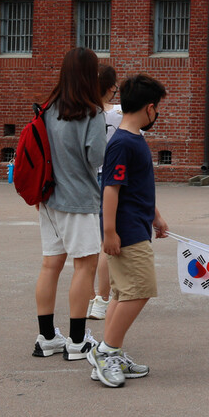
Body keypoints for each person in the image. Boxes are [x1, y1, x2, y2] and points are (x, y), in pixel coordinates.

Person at [88, 74, 170, 388]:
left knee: (123, 294)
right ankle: (106, 352)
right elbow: (111, 189)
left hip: (137, 224)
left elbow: (137, 188)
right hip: (126, 230)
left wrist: (156, 216)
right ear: (149, 108)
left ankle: (112, 351)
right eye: (157, 108)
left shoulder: (134, 138)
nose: (156, 113)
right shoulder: (123, 142)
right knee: (141, 289)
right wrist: (109, 232)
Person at [32, 47, 105, 361]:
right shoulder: (92, 113)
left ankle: (47, 337)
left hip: (49, 199)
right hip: (79, 200)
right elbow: (96, 157)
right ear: (90, 75)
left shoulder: (47, 109)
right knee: (85, 266)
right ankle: (77, 341)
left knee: (50, 265)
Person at [88, 64, 122, 321]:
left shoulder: (83, 111)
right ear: (111, 87)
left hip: (87, 177)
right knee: (106, 241)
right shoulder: (119, 113)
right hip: (111, 177)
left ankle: (89, 297)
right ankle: (103, 299)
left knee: (88, 243)